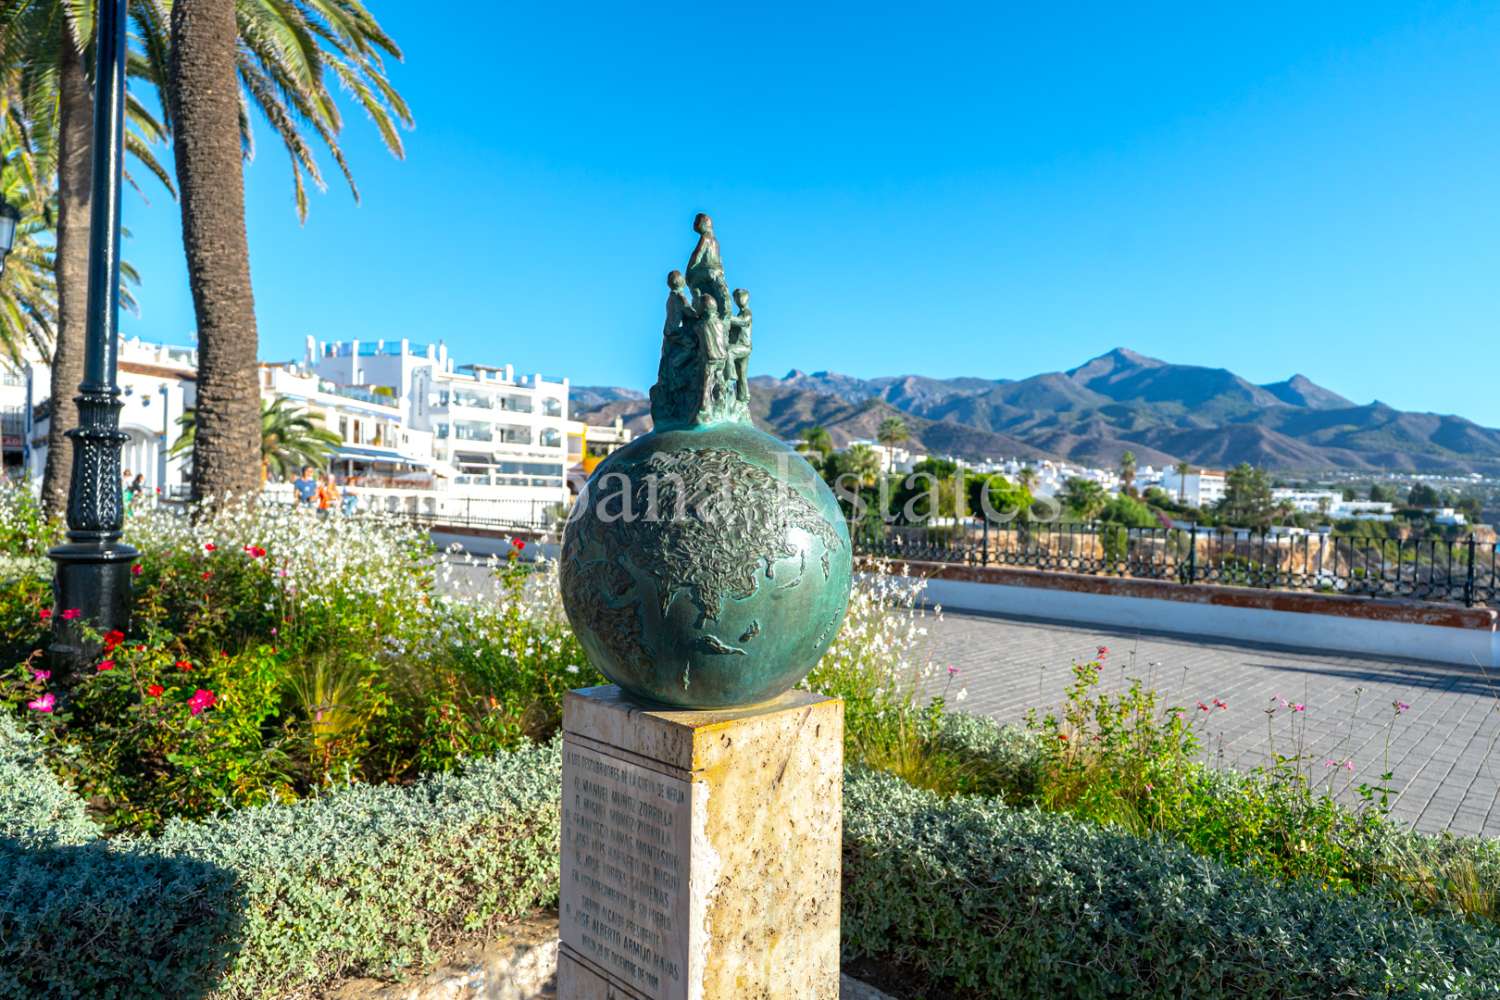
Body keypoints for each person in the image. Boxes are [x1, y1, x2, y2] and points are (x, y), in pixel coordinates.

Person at [727, 288, 752, 402]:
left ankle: (731, 375)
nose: (739, 300)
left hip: (744, 347)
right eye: (737, 298)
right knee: (742, 374)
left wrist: (727, 317)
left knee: (729, 352)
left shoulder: (747, 313)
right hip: (739, 346)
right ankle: (743, 397)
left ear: (747, 299)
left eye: (741, 297)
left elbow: (742, 322)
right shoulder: (739, 313)